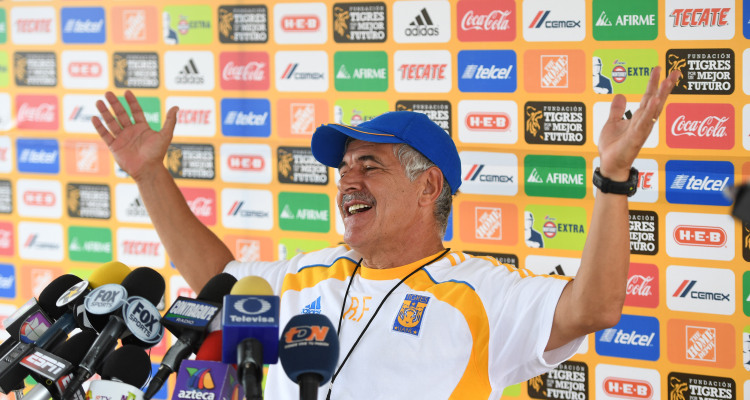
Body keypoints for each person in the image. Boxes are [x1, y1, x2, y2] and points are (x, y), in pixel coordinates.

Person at [92, 68, 680, 399]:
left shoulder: (480, 292)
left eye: (369, 165)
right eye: (343, 168)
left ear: (429, 188)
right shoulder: (306, 274)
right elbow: (215, 279)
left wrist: (613, 180)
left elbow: (594, 306)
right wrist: (149, 175)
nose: (347, 180)